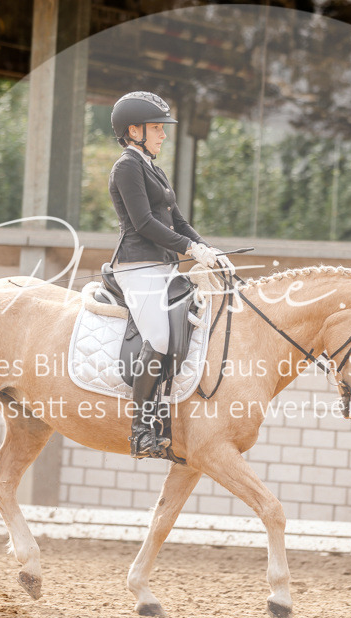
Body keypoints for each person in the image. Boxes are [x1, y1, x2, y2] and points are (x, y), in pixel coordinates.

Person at [107, 91, 232, 458]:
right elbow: (144, 223)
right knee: (159, 338)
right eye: (157, 128)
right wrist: (190, 250)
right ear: (134, 130)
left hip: (164, 267)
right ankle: (141, 430)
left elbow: (178, 221)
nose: (163, 135)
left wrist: (208, 250)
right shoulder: (126, 167)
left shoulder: (153, 167)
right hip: (137, 266)